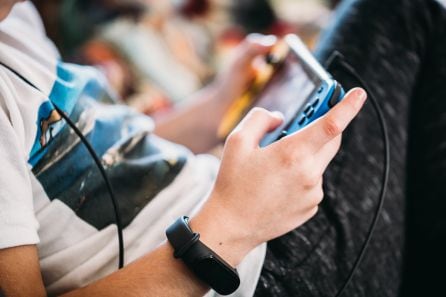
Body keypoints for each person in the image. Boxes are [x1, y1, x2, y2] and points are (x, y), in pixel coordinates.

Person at [0, 1, 444, 297]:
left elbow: (110, 151)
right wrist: (230, 225)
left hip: (231, 223)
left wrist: (215, 106)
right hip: (239, 274)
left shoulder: (16, 20)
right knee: (402, 10)